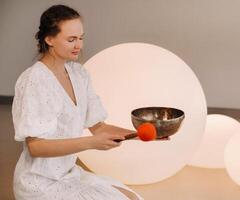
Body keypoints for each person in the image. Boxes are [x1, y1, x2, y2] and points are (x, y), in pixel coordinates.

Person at [11, 4, 146, 200]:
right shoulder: (34, 80)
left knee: (132, 197)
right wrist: (90, 143)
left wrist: (141, 134)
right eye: (71, 39)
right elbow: (36, 147)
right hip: (40, 182)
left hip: (69, 175)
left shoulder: (79, 73)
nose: (79, 45)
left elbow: (99, 127)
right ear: (49, 39)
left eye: (81, 38)